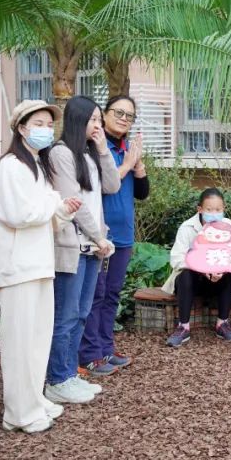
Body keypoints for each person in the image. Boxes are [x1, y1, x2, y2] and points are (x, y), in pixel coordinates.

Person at [0, 100, 82, 434]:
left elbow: (43, 213)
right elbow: (20, 214)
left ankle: (34, 399)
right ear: (21, 127)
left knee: (37, 339)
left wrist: (63, 209)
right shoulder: (12, 167)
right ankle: (19, 412)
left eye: (48, 123)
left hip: (38, 264)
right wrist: (53, 203)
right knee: (20, 342)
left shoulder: (35, 166)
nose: (45, 129)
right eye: (38, 123)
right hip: (18, 267)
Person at [44, 96, 120, 405]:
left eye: (100, 121)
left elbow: (112, 186)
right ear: (77, 120)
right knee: (66, 315)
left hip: (92, 247)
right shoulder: (61, 153)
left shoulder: (90, 154)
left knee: (82, 314)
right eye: (94, 120)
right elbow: (73, 203)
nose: (99, 126)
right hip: (73, 245)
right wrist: (98, 237)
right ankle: (56, 379)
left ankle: (69, 374)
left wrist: (103, 151)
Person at [79, 95, 149, 377]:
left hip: (124, 235)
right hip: (100, 236)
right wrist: (128, 161)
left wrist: (138, 164)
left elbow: (142, 193)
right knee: (95, 295)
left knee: (111, 295)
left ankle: (106, 348)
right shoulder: (95, 147)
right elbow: (106, 186)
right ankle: (90, 354)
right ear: (104, 115)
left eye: (129, 115)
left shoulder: (126, 148)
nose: (124, 118)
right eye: (118, 112)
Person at [164, 189, 231, 346]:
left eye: (218, 210)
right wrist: (201, 268)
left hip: (217, 280)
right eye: (209, 210)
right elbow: (176, 259)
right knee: (185, 274)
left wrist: (221, 269)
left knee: (229, 274)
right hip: (193, 282)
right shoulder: (187, 227)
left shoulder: (229, 226)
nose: (214, 214)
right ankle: (183, 327)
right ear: (200, 209)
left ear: (224, 208)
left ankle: (222, 323)